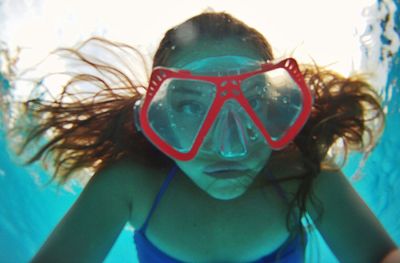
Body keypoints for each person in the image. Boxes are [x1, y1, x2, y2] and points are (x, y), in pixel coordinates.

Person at [2, 11, 398, 263]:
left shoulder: (306, 175)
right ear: (156, 120)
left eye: (252, 101)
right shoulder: (128, 185)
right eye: (192, 107)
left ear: (278, 107)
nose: (230, 145)